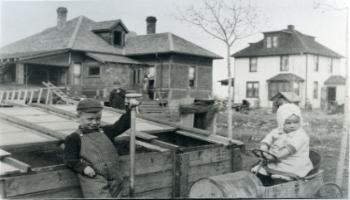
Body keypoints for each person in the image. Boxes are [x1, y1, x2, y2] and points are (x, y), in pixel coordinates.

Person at [64, 98, 138, 198]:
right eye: (90, 119)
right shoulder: (74, 138)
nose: (94, 122)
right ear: (78, 117)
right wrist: (83, 168)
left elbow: (122, 125)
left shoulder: (106, 131)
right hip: (94, 178)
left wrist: (131, 109)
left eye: (98, 119)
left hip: (115, 176)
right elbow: (70, 159)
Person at [252, 103, 313, 186]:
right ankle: (263, 184)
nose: (292, 126)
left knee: (280, 176)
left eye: (296, 122)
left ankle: (281, 186)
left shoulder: (301, 136)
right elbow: (268, 138)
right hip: (276, 160)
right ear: (281, 122)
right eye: (288, 123)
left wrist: (273, 156)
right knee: (259, 170)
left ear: (300, 121)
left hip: (292, 163)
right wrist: (264, 147)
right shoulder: (278, 131)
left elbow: (288, 150)